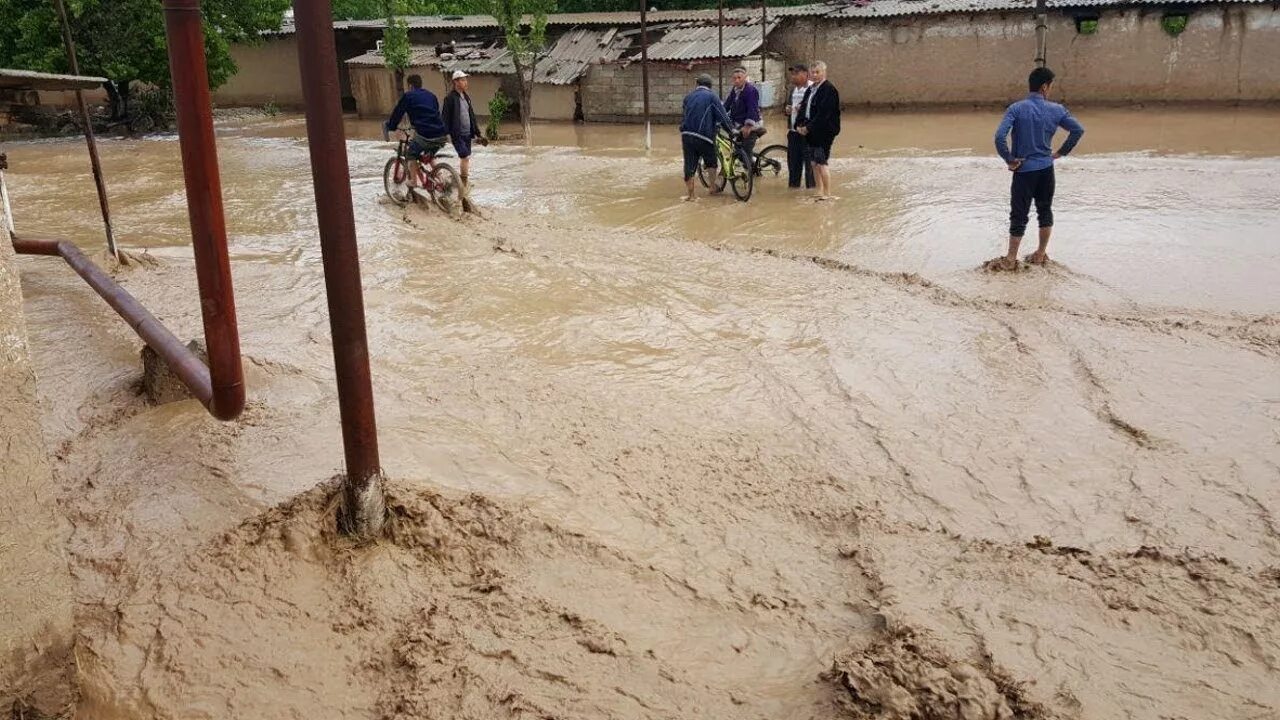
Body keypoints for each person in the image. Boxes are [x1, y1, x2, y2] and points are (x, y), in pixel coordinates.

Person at [992, 66, 1085, 270]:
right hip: (1045, 168)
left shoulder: (1016, 109)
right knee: (1045, 210)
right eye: (1051, 86)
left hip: (1023, 170)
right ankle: (1041, 253)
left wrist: (1009, 159)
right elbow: (1078, 130)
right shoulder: (1057, 110)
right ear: (1044, 87)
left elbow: (999, 137)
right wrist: (1060, 153)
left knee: (1019, 214)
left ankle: (1010, 258)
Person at [384, 74, 448, 190]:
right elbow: (434, 113)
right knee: (428, 154)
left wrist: (391, 126)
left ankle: (413, 181)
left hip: (425, 134)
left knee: (411, 154)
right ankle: (441, 178)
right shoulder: (431, 95)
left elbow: (397, 113)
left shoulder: (408, 96)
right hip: (441, 133)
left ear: (410, 85)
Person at [680, 73, 735, 202]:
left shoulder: (688, 97)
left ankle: (691, 195)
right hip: (704, 136)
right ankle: (711, 186)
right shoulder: (712, 97)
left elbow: (685, 114)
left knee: (689, 164)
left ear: (697, 84)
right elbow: (722, 116)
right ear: (710, 86)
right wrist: (732, 131)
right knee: (711, 161)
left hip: (686, 135)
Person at [795, 60, 841, 200]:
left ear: (824, 73)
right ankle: (819, 191)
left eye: (817, 72)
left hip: (824, 131)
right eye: (812, 73)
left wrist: (808, 128)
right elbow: (803, 108)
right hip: (811, 130)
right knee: (814, 163)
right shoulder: (810, 89)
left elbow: (824, 114)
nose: (814, 75)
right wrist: (798, 124)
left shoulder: (829, 90)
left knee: (821, 162)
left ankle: (827, 193)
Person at [442, 70, 488, 187]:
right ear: (455, 82)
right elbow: (445, 117)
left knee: (466, 156)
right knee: (465, 156)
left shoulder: (466, 97)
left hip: (467, 133)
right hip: (457, 134)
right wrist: (445, 135)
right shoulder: (450, 98)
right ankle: (464, 182)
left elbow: (471, 115)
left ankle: (460, 180)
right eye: (463, 80)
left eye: (465, 79)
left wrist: (478, 134)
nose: (466, 82)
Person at [784, 64, 815, 189]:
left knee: (810, 167)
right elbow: (787, 106)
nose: (793, 76)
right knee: (793, 165)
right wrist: (787, 109)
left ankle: (812, 191)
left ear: (805, 74)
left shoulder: (813, 88)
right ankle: (793, 191)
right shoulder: (792, 89)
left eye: (796, 73)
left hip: (808, 133)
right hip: (793, 132)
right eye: (792, 74)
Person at [723, 66, 762, 156]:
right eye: (734, 78)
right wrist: (719, 114)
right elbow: (728, 104)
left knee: (745, 153)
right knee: (737, 151)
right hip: (739, 124)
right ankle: (750, 162)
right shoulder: (735, 89)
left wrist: (748, 126)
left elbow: (752, 108)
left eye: (739, 78)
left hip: (750, 125)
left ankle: (751, 168)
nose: (736, 80)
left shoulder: (750, 90)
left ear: (745, 78)